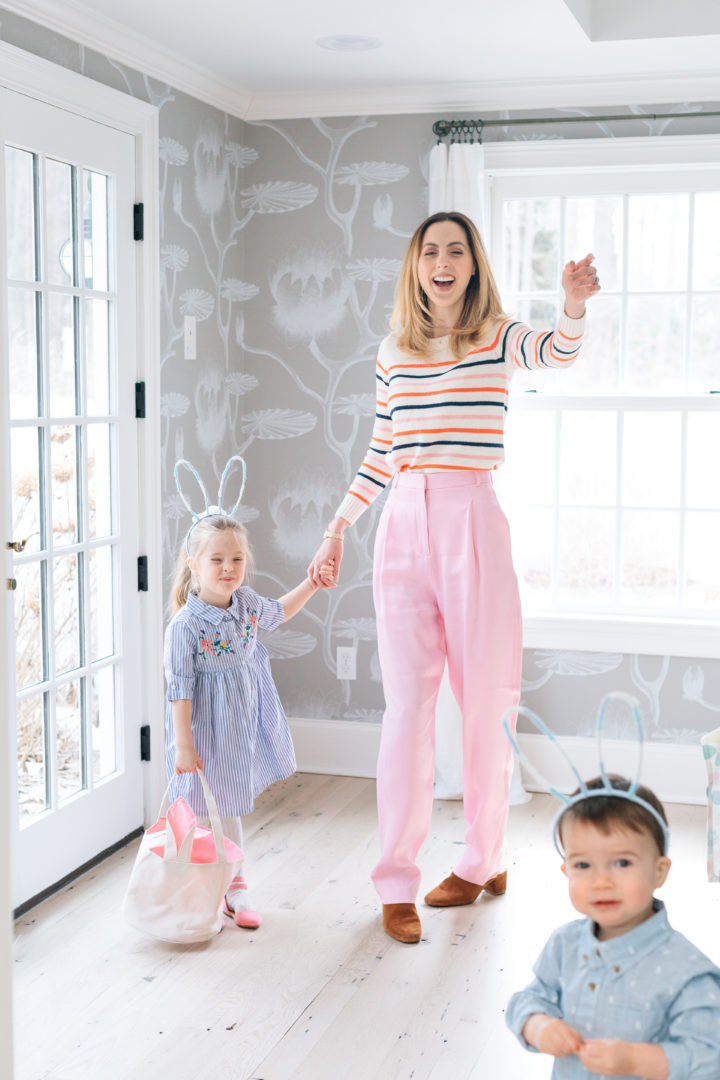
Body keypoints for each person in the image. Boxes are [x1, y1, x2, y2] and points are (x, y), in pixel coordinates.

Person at [307, 211, 600, 943]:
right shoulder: (393, 352)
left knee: (486, 701)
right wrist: (337, 525)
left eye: (456, 251)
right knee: (406, 710)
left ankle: (483, 859)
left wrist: (572, 304)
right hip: (402, 523)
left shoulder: (497, 334)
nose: (442, 261)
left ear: (473, 266)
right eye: (430, 250)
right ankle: (395, 880)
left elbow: (559, 352)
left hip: (473, 515)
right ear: (416, 266)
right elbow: (382, 451)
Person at [165, 511, 333, 929]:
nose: (228, 568)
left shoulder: (247, 606)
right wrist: (184, 745)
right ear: (194, 566)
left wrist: (312, 582)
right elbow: (180, 691)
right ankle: (203, 889)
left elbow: (280, 611)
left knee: (228, 808)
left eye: (237, 559)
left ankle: (235, 887)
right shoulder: (185, 627)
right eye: (217, 560)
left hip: (238, 728)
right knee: (202, 813)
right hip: (203, 734)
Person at [506, 774, 720, 1078]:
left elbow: (710, 1057)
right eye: (583, 865)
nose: (601, 882)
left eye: (622, 863)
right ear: (566, 870)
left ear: (659, 872)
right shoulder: (564, 944)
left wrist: (636, 1060)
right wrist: (538, 1026)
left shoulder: (686, 971)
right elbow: (528, 999)